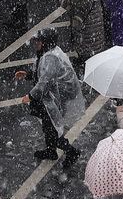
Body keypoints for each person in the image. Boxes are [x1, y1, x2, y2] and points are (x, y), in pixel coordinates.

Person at [22, 27, 82, 165]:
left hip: (53, 99)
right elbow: (42, 73)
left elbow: (45, 81)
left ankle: (71, 151)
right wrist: (28, 74)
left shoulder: (50, 57)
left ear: (46, 42)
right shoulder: (49, 53)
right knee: (49, 126)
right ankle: (51, 150)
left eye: (40, 41)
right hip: (51, 98)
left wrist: (31, 96)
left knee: (52, 128)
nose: (37, 43)